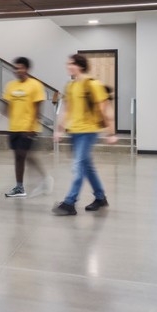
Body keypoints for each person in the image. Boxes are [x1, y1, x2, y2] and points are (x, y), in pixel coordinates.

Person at [53, 53, 115, 215]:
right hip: (74, 131)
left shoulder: (92, 84)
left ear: (80, 65)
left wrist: (111, 132)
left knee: (78, 166)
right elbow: (66, 109)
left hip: (88, 131)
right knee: (87, 167)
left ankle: (69, 203)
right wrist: (59, 130)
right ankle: (100, 198)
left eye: (71, 64)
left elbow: (105, 108)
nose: (68, 66)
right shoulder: (70, 86)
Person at [2, 56, 47, 198]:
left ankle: (42, 179)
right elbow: (7, 106)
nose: (17, 70)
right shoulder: (10, 86)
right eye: (15, 68)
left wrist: (32, 127)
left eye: (20, 67)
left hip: (28, 128)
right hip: (14, 128)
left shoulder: (35, 85)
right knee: (19, 157)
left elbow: (38, 108)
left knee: (22, 154)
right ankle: (20, 187)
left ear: (26, 69)